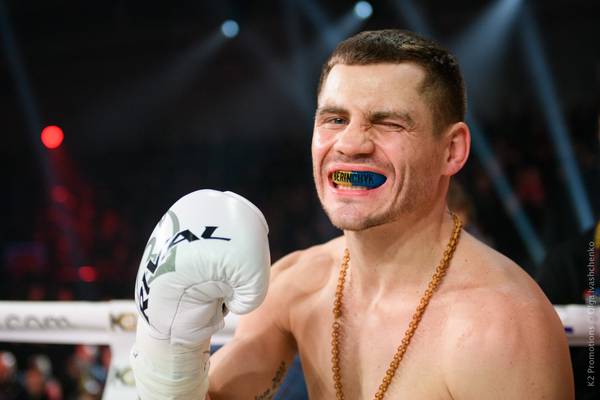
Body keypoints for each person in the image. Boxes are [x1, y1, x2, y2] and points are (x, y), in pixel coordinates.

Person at [131, 29, 574, 399]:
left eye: (389, 122)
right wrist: (168, 352)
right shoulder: (298, 284)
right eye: (335, 119)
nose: (351, 143)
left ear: (451, 150)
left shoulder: (502, 328)